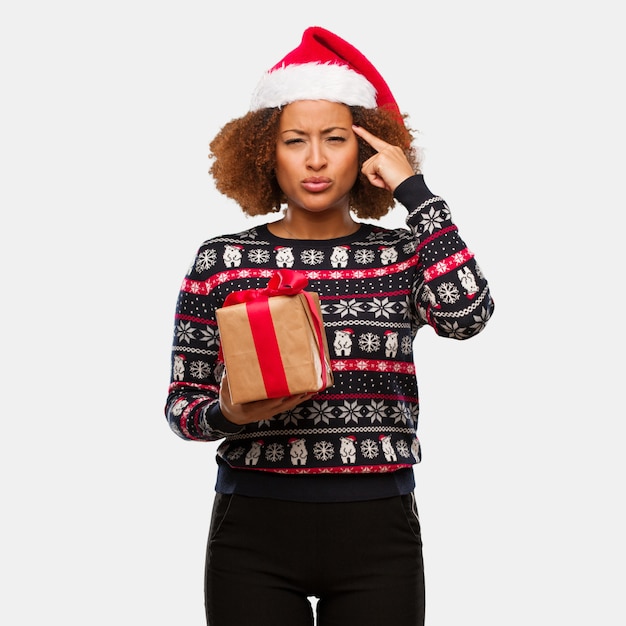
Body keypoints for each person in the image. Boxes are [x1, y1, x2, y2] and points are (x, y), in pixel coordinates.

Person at [165, 26, 494, 626]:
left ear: (365, 150)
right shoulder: (222, 261)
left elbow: (467, 314)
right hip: (252, 533)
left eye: (335, 139)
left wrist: (416, 195)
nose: (315, 159)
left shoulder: (400, 255)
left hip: (379, 532)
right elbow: (182, 409)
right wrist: (230, 414)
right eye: (295, 141)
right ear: (266, 151)